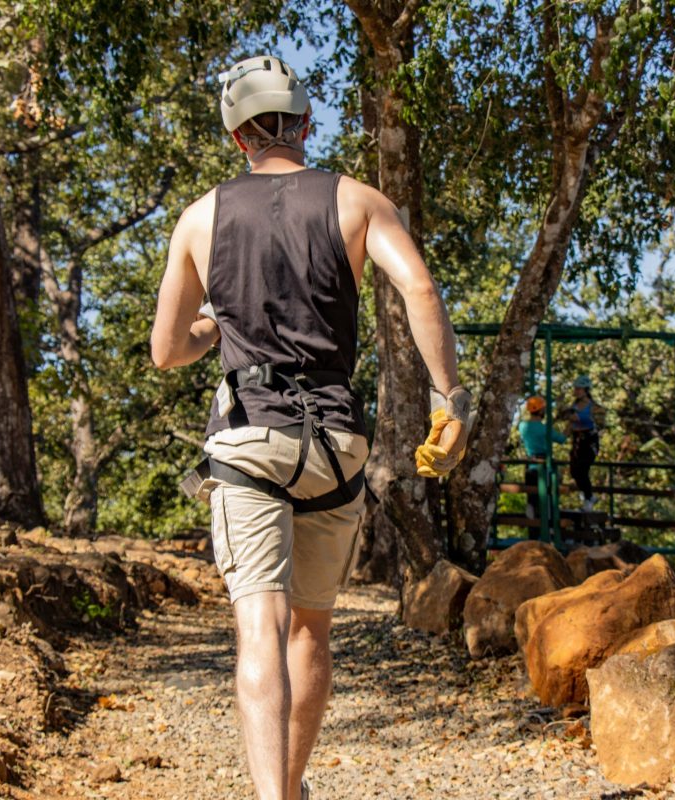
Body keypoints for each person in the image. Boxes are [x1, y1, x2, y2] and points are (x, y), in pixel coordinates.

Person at [150, 54, 471, 800]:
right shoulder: (357, 201)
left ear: (238, 139)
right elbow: (419, 287)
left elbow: (167, 351)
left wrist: (214, 327)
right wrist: (446, 399)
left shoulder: (201, 217)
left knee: (257, 626)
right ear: (305, 124)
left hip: (249, 437)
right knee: (310, 631)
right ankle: (291, 788)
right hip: (335, 440)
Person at [518, 395, 566, 532]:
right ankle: (548, 529)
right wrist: (569, 427)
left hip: (530, 465)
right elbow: (561, 439)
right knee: (547, 498)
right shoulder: (544, 429)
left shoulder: (522, 426)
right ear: (540, 411)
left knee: (531, 499)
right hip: (544, 466)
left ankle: (532, 531)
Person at [566, 375, 606, 512]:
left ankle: (588, 498)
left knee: (583, 468)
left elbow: (602, 423)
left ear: (585, 390)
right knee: (574, 470)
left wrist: (586, 420)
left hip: (589, 441)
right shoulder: (573, 406)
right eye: (575, 388)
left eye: (579, 389)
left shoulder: (593, 407)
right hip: (577, 441)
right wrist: (562, 436)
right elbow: (569, 424)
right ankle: (588, 495)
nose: (576, 391)